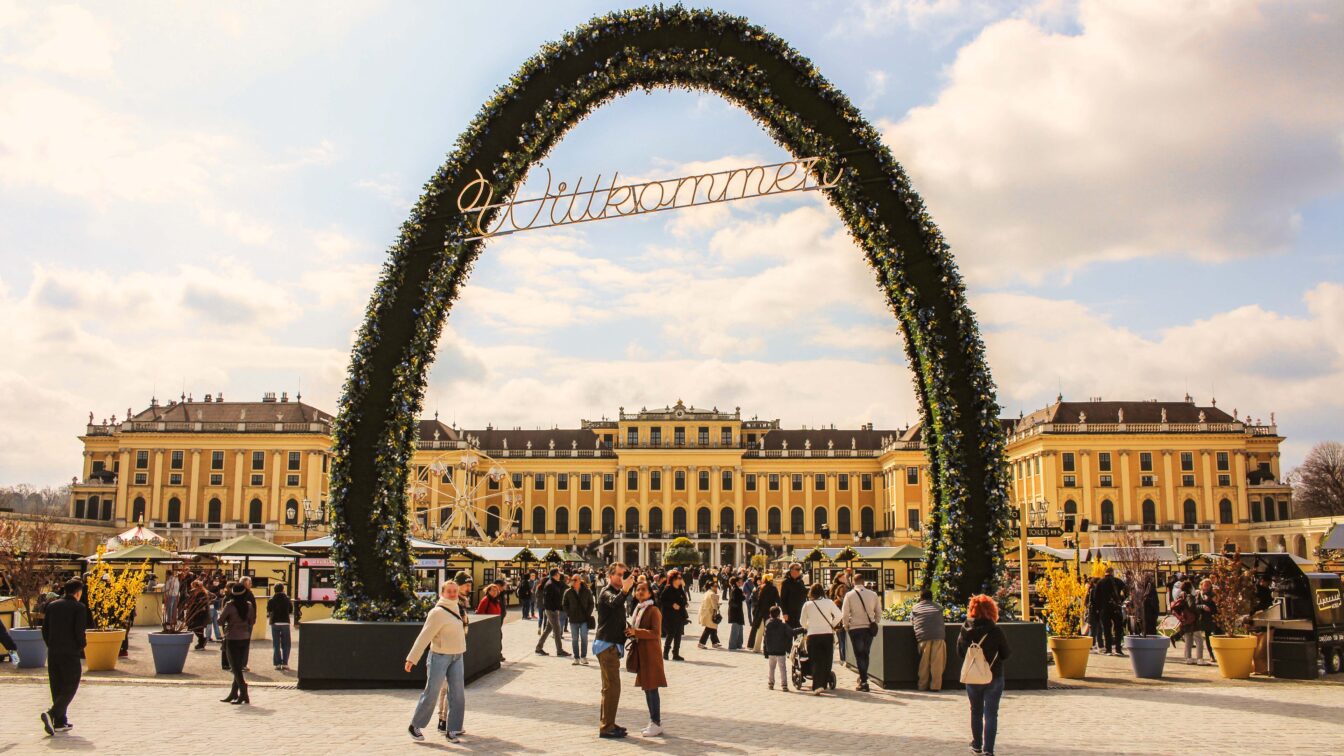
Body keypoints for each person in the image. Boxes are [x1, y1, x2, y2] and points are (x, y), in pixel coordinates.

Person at [405, 581, 469, 743]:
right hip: (439, 656)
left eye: (455, 591)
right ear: (442, 593)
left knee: (458, 694)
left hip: (457, 655)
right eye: (449, 591)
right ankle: (415, 725)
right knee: (432, 692)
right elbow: (424, 636)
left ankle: (452, 729)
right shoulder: (437, 612)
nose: (453, 594)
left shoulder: (457, 607)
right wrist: (412, 658)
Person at [959, 595, 1011, 756]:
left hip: (973, 676)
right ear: (992, 610)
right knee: (991, 714)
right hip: (994, 675)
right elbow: (1006, 653)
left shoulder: (965, 629)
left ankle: (977, 745)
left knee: (975, 711)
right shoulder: (996, 631)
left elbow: (960, 652)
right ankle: (988, 749)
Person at [40, 579, 87, 736]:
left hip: (53, 652)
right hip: (70, 653)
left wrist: (51, 645)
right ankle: (52, 714)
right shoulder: (79, 608)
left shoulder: (52, 606)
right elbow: (79, 632)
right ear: (78, 593)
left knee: (57, 686)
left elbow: (45, 630)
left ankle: (60, 722)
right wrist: (81, 646)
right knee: (70, 685)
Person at [594, 563, 633, 740]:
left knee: (609, 688)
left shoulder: (616, 593)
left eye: (624, 574)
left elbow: (615, 614)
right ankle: (606, 726)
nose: (622, 577)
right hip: (607, 646)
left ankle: (608, 722)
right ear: (610, 576)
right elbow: (613, 602)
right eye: (619, 574)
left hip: (611, 645)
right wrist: (625, 590)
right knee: (612, 688)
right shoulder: (606, 592)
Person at [626, 580, 667, 737]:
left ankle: (656, 722)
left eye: (643, 589)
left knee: (652, 688)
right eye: (638, 589)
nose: (640, 592)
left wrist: (636, 632)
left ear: (650, 593)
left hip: (651, 654)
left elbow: (656, 633)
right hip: (642, 653)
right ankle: (653, 721)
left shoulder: (653, 610)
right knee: (647, 688)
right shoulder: (638, 609)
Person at [798, 582, 842, 696]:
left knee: (816, 660)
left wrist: (808, 626)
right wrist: (832, 624)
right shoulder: (829, 602)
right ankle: (824, 681)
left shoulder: (807, 604)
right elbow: (839, 615)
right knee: (827, 659)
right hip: (827, 634)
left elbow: (802, 622)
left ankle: (817, 685)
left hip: (813, 635)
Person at [841, 573, 881, 691]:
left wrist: (846, 625)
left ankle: (863, 681)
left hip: (855, 628)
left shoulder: (849, 595)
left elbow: (845, 613)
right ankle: (863, 678)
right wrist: (875, 622)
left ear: (854, 582)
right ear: (863, 582)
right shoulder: (873, 594)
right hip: (868, 628)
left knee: (859, 655)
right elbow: (879, 611)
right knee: (865, 653)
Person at [219, 583, 256, 705]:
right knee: (238, 666)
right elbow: (252, 621)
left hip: (232, 637)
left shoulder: (230, 605)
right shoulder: (249, 605)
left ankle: (243, 691)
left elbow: (220, 621)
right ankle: (234, 692)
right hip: (245, 637)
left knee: (235, 667)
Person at [910, 589, 947, 691]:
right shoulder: (938, 607)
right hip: (938, 636)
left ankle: (922, 685)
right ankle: (935, 686)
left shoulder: (915, 608)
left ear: (921, 597)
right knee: (937, 663)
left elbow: (912, 621)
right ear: (932, 597)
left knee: (924, 663)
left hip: (923, 637)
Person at [1092, 567, 1127, 656]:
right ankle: (1118, 649)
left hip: (1104, 609)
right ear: (1112, 572)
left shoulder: (1100, 582)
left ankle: (1108, 650)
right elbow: (1126, 590)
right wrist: (1121, 599)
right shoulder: (1118, 581)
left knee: (1107, 629)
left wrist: (1099, 608)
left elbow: (1095, 597)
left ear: (1105, 573)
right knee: (1118, 629)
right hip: (1116, 608)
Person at [562, 572, 595, 665]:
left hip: (584, 619)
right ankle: (576, 657)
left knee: (584, 638)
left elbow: (591, 603)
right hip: (573, 619)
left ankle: (583, 657)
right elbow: (564, 604)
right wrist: (569, 614)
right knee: (575, 639)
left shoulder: (587, 591)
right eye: (572, 579)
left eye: (575, 580)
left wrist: (588, 614)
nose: (573, 581)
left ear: (580, 581)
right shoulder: (568, 592)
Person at [535, 568, 569, 657]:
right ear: (555, 575)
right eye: (558, 573)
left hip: (553, 610)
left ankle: (538, 648)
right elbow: (547, 600)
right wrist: (554, 609)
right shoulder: (550, 584)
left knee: (548, 630)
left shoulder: (555, 583)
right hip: (552, 610)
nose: (560, 575)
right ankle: (559, 650)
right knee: (557, 630)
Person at [660, 570, 688, 661]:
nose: (680, 579)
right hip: (669, 615)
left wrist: (685, 603)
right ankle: (665, 652)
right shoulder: (668, 589)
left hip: (679, 614)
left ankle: (676, 654)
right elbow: (662, 600)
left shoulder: (680, 588)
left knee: (678, 634)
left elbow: (684, 598)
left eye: (681, 578)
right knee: (671, 633)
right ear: (673, 579)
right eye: (679, 578)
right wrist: (672, 604)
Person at [762, 605, 792, 691]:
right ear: (779, 614)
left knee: (771, 668)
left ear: (770, 614)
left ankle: (771, 683)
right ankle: (784, 685)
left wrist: (765, 650)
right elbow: (791, 632)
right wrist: (802, 629)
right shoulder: (783, 625)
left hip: (771, 650)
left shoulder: (768, 624)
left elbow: (765, 638)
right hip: (781, 650)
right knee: (782, 668)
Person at [749, 573, 779, 651]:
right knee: (769, 630)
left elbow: (755, 600)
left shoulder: (760, 588)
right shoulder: (773, 588)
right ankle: (768, 648)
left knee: (759, 630)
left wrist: (754, 610)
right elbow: (778, 600)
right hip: (770, 612)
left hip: (760, 612)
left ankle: (756, 648)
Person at [267, 583, 293, 671]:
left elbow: (269, 610)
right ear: (283, 589)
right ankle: (285, 663)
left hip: (275, 623)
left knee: (276, 643)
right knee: (286, 644)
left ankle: (278, 664)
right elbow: (290, 610)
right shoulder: (287, 599)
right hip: (285, 622)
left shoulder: (271, 599)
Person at [779, 563, 807, 629]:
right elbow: (782, 599)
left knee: (800, 633)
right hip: (790, 613)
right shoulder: (786, 582)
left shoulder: (801, 581)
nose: (799, 571)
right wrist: (784, 613)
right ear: (791, 570)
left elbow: (804, 596)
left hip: (800, 613)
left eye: (799, 569)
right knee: (790, 633)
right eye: (797, 569)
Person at [697, 579, 722, 649]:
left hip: (706, 613)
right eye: (715, 586)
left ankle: (714, 643)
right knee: (709, 628)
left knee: (712, 628)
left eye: (717, 586)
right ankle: (701, 643)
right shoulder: (712, 594)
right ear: (711, 587)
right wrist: (718, 605)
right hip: (710, 613)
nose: (716, 588)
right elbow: (714, 606)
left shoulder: (707, 592)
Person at [727, 576, 746, 650]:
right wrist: (743, 596)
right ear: (737, 582)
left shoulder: (736, 589)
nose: (742, 582)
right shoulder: (736, 590)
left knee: (740, 628)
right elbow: (736, 600)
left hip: (737, 611)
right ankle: (732, 645)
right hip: (736, 612)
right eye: (740, 581)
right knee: (735, 628)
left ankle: (739, 644)